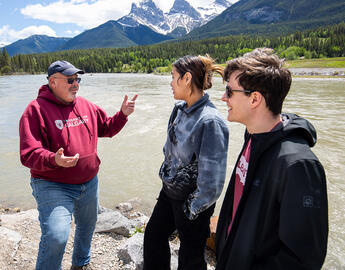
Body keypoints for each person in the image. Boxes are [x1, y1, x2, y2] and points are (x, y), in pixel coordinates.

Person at [215, 48, 328, 270]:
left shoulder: (298, 165)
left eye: (229, 91)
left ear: (255, 98)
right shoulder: (254, 136)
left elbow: (303, 259)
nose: (223, 97)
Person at [19, 60, 138, 270]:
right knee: (56, 236)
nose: (76, 84)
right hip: (52, 184)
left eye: (77, 79)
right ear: (53, 82)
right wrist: (53, 159)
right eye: (70, 80)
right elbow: (28, 154)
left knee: (87, 226)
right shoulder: (35, 110)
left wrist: (122, 115)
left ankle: (81, 264)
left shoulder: (85, 105)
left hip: (89, 182)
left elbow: (107, 128)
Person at [143, 55, 229, 270]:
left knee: (190, 258)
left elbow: (213, 182)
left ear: (187, 78)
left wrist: (191, 210)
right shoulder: (179, 109)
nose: (170, 83)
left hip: (193, 203)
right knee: (153, 238)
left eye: (173, 77)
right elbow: (169, 151)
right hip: (168, 194)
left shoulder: (210, 121)